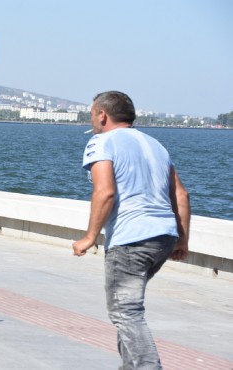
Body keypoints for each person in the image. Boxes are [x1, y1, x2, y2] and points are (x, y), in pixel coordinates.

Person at [72, 91, 191, 369]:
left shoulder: (101, 141)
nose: (92, 119)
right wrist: (182, 240)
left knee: (126, 311)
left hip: (131, 239)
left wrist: (90, 237)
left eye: (92, 114)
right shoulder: (155, 145)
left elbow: (105, 193)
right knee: (127, 311)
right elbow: (182, 196)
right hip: (163, 237)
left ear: (102, 115)